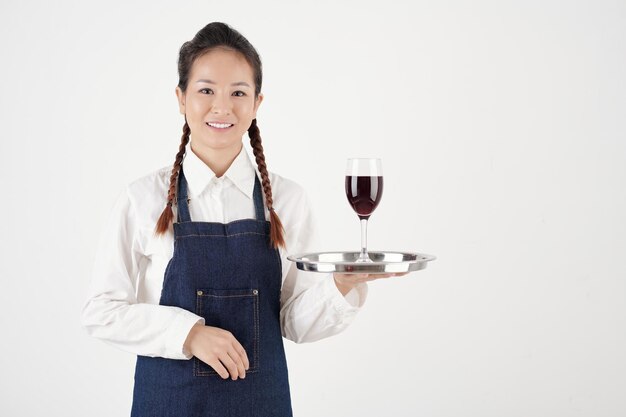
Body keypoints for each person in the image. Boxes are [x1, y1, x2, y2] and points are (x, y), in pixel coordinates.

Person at [80, 21, 405, 417]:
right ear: (181, 98)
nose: (222, 106)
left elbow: (294, 322)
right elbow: (101, 311)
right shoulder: (141, 199)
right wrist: (189, 335)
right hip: (168, 404)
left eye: (238, 92)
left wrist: (340, 284)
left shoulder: (288, 200)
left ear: (257, 104)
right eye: (205, 91)